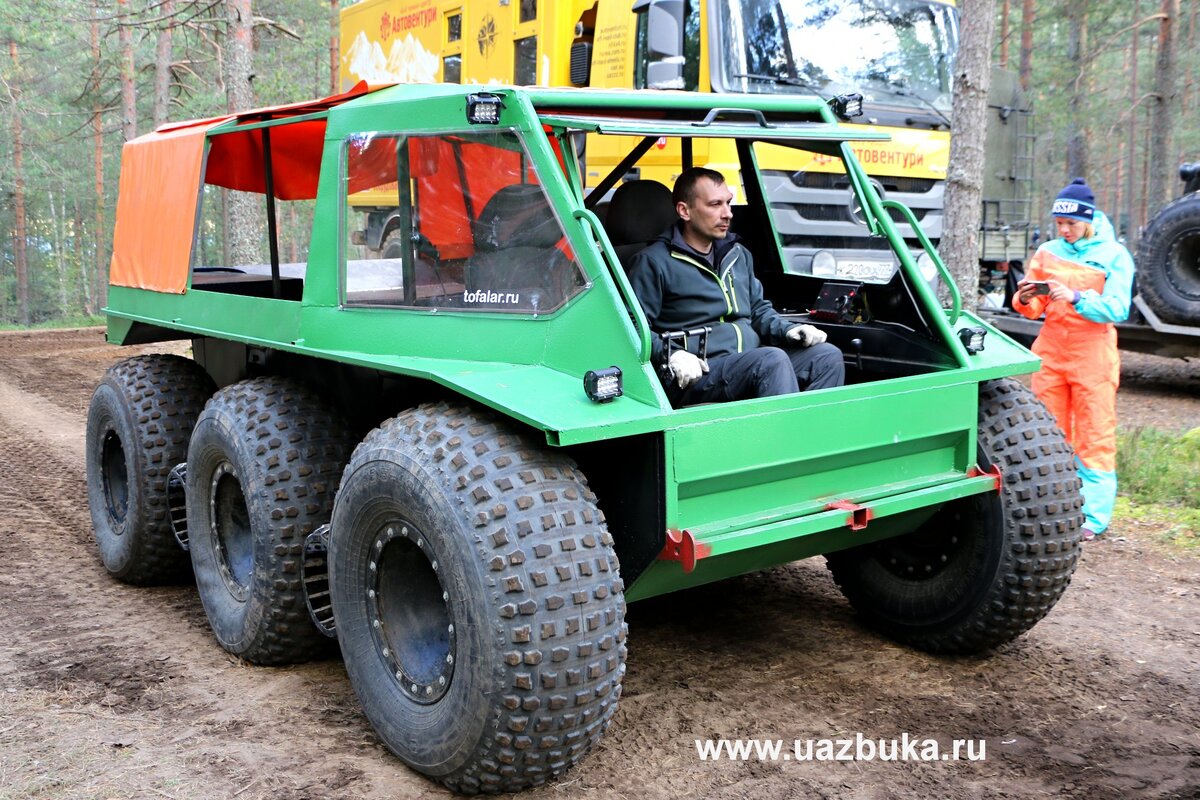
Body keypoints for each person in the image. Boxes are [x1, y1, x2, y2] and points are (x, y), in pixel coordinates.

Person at [627, 167, 844, 406]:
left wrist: (788, 330)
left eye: (728, 203)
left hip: (745, 361)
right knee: (771, 360)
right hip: (697, 370)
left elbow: (758, 310)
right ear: (684, 211)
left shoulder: (738, 254)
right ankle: (786, 440)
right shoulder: (653, 262)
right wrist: (673, 353)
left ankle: (810, 439)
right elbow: (632, 327)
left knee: (827, 356)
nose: (727, 213)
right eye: (715, 204)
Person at [1013, 178, 1135, 541]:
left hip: (1093, 353)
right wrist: (1023, 298)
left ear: (1089, 220)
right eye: (1059, 224)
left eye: (1071, 224)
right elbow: (1033, 308)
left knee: (1093, 434)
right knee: (1047, 433)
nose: (1064, 231)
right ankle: (1049, 504)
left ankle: (1092, 517)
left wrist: (1078, 297)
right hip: (1051, 351)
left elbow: (1119, 307)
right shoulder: (1048, 251)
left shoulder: (1115, 255)